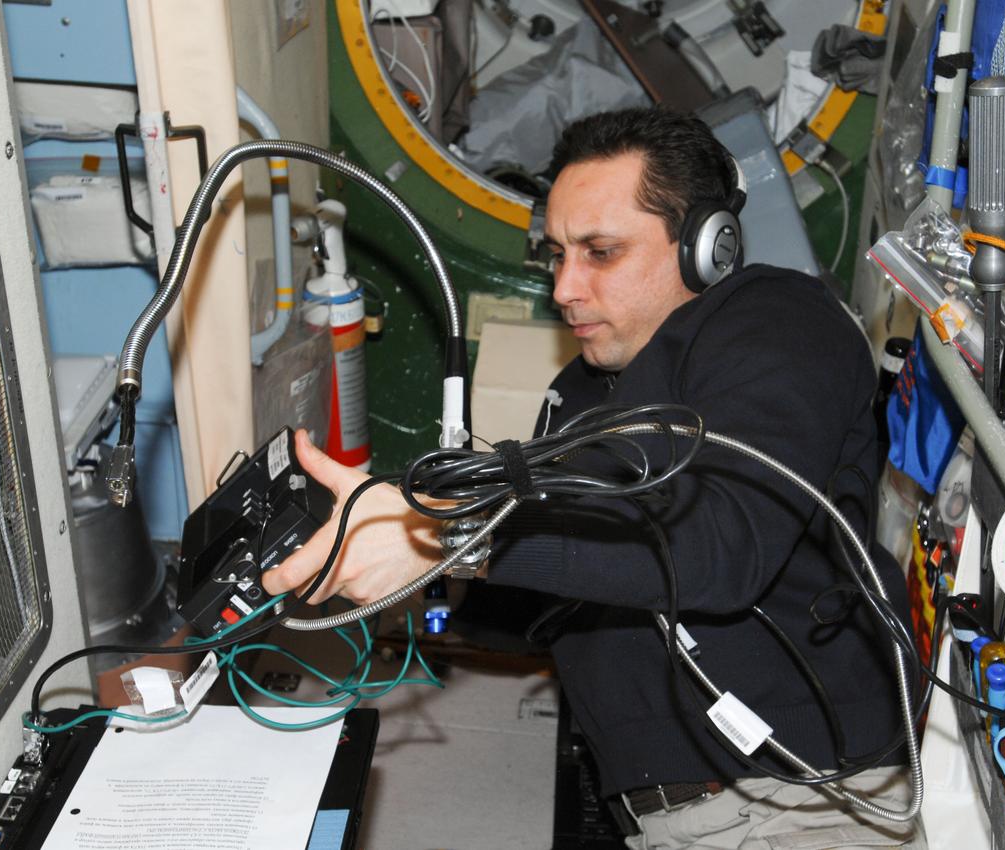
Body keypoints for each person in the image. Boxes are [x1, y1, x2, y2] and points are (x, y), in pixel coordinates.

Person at [262, 107, 921, 849]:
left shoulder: (777, 320)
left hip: (795, 804)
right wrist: (388, 574)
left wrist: (450, 537)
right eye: (556, 254)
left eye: (600, 252)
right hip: (660, 810)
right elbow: (562, 591)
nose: (565, 288)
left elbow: (720, 546)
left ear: (708, 246)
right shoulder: (581, 393)